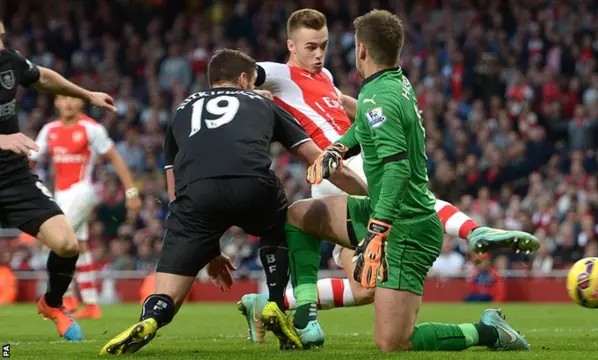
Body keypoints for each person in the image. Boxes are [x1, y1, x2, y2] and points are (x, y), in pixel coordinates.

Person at [239, 8, 539, 343]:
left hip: (375, 190)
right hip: (336, 170)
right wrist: (249, 95)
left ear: (362, 50)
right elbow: (241, 70)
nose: (320, 53)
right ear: (291, 46)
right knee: (302, 215)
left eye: (324, 45)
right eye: (311, 46)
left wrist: (372, 113)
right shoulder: (288, 75)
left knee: (371, 300)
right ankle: (302, 315)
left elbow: (367, 122)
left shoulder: (355, 88)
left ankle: (268, 304)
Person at [99, 48, 366, 356]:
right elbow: (318, 161)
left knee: (168, 292)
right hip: (253, 187)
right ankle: (275, 302)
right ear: (243, 79)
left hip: (196, 198)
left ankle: (151, 318)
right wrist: (364, 194)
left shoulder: (181, 111)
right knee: (284, 219)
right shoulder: (263, 102)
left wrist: (208, 248)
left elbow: (175, 192)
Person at [0, 21, 116, 341]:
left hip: (11, 175)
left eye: (1, 37)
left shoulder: (8, 60)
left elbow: (43, 77)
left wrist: (86, 94)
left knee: (67, 243)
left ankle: (52, 303)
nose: (0, 44)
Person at [30, 95, 142, 319]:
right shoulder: (49, 129)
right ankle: (90, 303)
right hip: (60, 195)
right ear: (56, 103)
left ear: (82, 103)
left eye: (73, 99)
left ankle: (66, 297)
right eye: (63, 99)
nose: (68, 103)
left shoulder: (91, 128)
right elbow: (31, 159)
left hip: (83, 191)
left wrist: (131, 192)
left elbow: (115, 159)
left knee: (58, 240)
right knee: (78, 245)